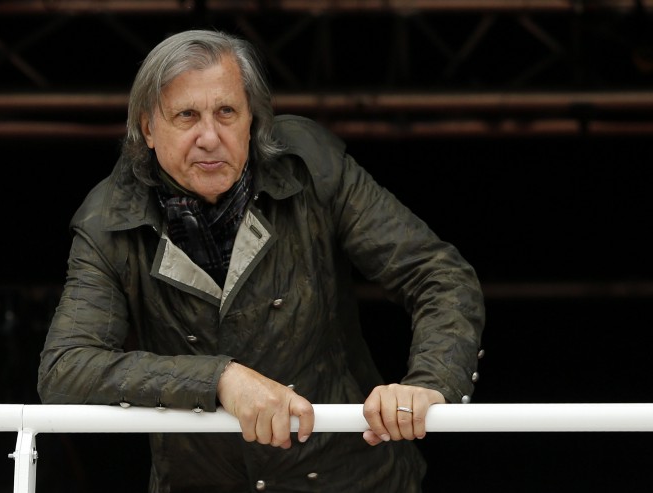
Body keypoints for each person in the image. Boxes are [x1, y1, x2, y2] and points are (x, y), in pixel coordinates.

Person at [37, 29, 485, 492]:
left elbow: (438, 275)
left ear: (252, 119)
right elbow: (66, 367)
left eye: (226, 112)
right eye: (186, 116)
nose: (209, 137)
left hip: (352, 479)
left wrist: (430, 382)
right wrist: (219, 379)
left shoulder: (310, 167)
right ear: (148, 128)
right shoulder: (109, 218)